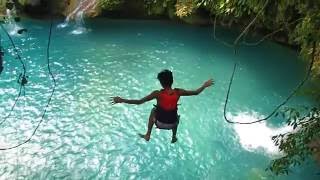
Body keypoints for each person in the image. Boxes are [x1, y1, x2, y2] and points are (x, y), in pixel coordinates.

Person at [111, 69, 213, 143]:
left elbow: (139, 102)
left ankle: (148, 134)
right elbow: (196, 92)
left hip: (159, 123)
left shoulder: (157, 94)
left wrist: (122, 100)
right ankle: (173, 136)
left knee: (153, 110)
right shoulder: (178, 92)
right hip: (172, 124)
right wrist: (204, 85)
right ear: (172, 81)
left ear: (161, 83)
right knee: (176, 115)